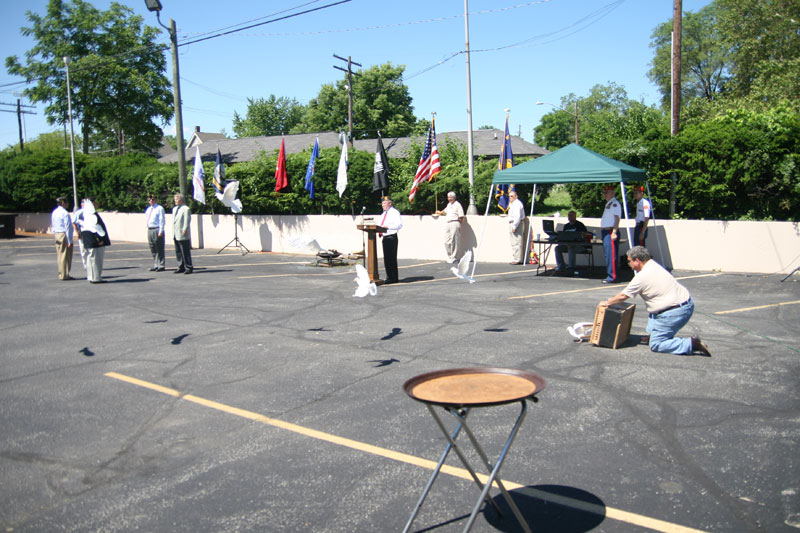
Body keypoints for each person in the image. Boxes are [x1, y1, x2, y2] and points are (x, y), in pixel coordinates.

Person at [601, 246, 711, 356]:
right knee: (653, 309)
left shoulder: (642, 276)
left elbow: (623, 296)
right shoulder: (653, 265)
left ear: (637, 261)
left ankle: (692, 344)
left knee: (657, 344)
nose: (628, 263)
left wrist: (607, 302)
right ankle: (653, 334)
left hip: (674, 311)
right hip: (684, 304)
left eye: (629, 261)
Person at [80, 198, 111, 284]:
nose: (96, 204)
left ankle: (91, 276)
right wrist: (99, 240)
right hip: (95, 241)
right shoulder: (92, 215)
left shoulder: (85, 214)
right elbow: (95, 229)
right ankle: (96, 278)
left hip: (89, 241)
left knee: (90, 259)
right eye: (95, 202)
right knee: (95, 259)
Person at [435, 191, 465, 264]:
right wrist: (439, 212)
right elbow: (444, 211)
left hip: (455, 222)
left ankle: (454, 257)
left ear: (454, 198)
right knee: (446, 241)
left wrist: (457, 223)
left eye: (451, 197)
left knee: (454, 241)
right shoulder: (449, 205)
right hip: (448, 223)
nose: (449, 199)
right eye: (448, 197)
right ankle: (450, 256)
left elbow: (461, 216)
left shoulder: (457, 205)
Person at [378, 195, 402, 284]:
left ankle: (393, 277)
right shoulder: (383, 214)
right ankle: (389, 276)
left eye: (384, 203)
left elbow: (399, 225)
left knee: (391, 258)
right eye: (382, 203)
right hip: (385, 237)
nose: (382, 205)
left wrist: (388, 227)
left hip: (391, 237)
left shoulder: (394, 212)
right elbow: (379, 224)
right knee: (387, 259)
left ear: (390, 203)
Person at [600, 185, 621, 283]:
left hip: (610, 231)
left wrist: (614, 232)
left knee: (611, 255)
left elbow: (617, 219)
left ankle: (612, 277)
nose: (604, 194)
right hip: (606, 231)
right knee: (608, 255)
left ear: (612, 193)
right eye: (604, 192)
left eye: (606, 192)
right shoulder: (608, 203)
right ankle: (610, 275)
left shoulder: (614, 204)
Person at [51, 196, 73, 280]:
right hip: (63, 234)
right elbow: (68, 227)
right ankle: (65, 274)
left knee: (59, 255)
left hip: (57, 234)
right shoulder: (65, 213)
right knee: (65, 255)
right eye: (67, 202)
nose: (68, 204)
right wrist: (70, 240)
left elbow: (53, 224)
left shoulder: (54, 212)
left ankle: (61, 273)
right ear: (63, 203)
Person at [172, 193, 193, 274]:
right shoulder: (175, 209)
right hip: (175, 232)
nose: (175, 201)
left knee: (185, 251)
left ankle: (188, 267)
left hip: (182, 233)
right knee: (178, 251)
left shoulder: (186, 209)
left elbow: (187, 221)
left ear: (181, 200)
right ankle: (181, 266)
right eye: (175, 199)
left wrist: (184, 229)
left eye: (176, 199)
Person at [145, 194, 166, 271]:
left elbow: (162, 220)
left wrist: (160, 231)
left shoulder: (159, 208)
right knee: (152, 247)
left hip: (157, 229)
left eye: (153, 199)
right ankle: (156, 264)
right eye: (150, 200)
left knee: (159, 247)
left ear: (156, 200)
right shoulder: (148, 209)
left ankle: (161, 265)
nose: (151, 201)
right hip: (150, 229)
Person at [507, 190, 526, 265]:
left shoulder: (517, 204)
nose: (510, 198)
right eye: (509, 196)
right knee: (513, 242)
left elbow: (517, 216)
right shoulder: (513, 204)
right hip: (512, 222)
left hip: (516, 224)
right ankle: (515, 258)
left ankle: (517, 259)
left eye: (512, 196)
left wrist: (514, 226)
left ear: (516, 196)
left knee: (517, 242)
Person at [72, 199, 88, 271]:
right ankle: (85, 265)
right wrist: (77, 232)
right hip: (82, 233)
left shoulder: (91, 212)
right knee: (83, 250)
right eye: (82, 203)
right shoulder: (78, 213)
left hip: (89, 233)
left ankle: (90, 264)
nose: (82, 204)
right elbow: (74, 223)